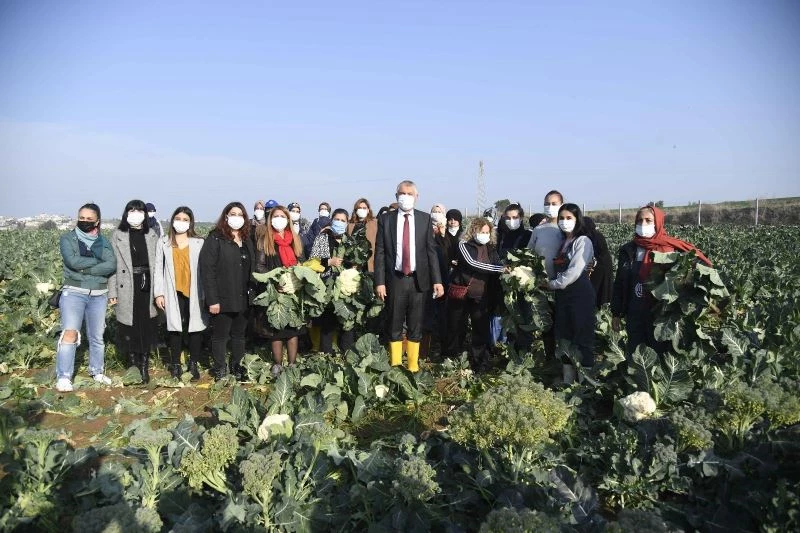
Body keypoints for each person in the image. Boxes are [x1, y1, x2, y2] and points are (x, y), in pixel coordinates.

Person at [611, 205, 712, 355]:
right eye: (639, 220)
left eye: (648, 220)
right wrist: (616, 313)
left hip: (660, 314)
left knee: (660, 353)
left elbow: (701, 265)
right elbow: (620, 283)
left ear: (658, 222)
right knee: (636, 353)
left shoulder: (671, 248)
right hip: (634, 312)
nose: (643, 224)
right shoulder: (628, 250)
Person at [374, 180, 444, 372]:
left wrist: (437, 280)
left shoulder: (424, 219)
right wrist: (379, 281)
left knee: (416, 324)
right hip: (395, 279)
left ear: (416, 197)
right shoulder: (386, 219)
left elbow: (431, 252)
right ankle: (396, 366)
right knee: (394, 323)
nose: (405, 197)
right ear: (396, 196)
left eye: (409, 194)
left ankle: (413, 366)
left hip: (418, 280)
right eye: (401, 194)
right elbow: (380, 252)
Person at [54, 203, 117, 392]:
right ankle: (64, 376)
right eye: (82, 218)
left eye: (89, 219)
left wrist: (86, 269)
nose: (85, 221)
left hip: (99, 294)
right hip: (74, 292)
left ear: (97, 221)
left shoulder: (103, 242)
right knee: (70, 333)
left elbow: (111, 264)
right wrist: (98, 263)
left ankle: (97, 371)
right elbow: (72, 262)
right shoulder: (68, 239)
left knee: (97, 336)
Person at [199, 202, 255, 380]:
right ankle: (220, 368)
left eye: (240, 214)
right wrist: (212, 300)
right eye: (233, 214)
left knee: (239, 335)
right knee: (220, 336)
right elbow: (208, 271)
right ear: (226, 216)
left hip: (243, 297)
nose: (237, 217)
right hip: (222, 297)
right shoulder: (215, 239)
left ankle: (237, 366)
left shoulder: (247, 240)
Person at [540, 203, 595, 383]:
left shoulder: (583, 241)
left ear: (577, 220)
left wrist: (551, 285)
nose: (564, 221)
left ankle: (585, 385)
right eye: (562, 218)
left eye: (569, 218)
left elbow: (574, 272)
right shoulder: (563, 243)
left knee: (582, 337)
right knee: (564, 337)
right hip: (563, 296)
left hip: (580, 295)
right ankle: (568, 381)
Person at [153, 206, 207, 380]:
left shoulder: (199, 242)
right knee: (174, 327)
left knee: (195, 327)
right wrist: (159, 293)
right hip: (172, 290)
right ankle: (175, 364)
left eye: (185, 220)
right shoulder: (163, 242)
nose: (181, 222)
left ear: (191, 223)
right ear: (172, 221)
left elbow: (205, 269)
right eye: (178, 219)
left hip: (194, 290)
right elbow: (158, 269)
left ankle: (193, 363)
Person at [445, 217, 505, 371]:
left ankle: (480, 362)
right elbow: (473, 264)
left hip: (481, 295)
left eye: (487, 232)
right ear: (473, 231)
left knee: (480, 329)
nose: (484, 235)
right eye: (481, 232)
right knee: (456, 326)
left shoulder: (491, 248)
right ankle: (452, 358)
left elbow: (498, 263)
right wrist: (499, 269)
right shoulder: (463, 245)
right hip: (462, 292)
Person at [109, 200, 159, 383]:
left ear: (145, 214)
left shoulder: (151, 234)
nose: (136, 214)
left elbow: (158, 264)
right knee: (128, 325)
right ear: (126, 214)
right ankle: (133, 365)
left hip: (147, 285)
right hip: (126, 285)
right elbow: (112, 266)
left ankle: (144, 365)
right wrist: (112, 292)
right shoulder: (117, 235)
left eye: (139, 211)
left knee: (146, 324)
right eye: (132, 210)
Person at [253, 205, 306, 376]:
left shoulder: (295, 239)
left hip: (293, 290)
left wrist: (298, 276)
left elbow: (302, 261)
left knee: (293, 329)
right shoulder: (265, 240)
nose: (279, 220)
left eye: (283, 217)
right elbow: (259, 266)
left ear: (288, 220)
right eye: (276, 216)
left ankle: (292, 364)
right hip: (275, 290)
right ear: (270, 219)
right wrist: (275, 280)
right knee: (276, 329)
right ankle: (277, 364)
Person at [310, 208, 356, 354]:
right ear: (331, 220)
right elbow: (313, 262)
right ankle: (327, 353)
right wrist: (329, 262)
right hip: (326, 284)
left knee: (347, 320)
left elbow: (355, 261)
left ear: (347, 223)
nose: (339, 222)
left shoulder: (350, 241)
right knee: (327, 322)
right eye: (337, 219)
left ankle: (347, 353)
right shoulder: (322, 238)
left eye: (343, 220)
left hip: (344, 287)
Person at [527, 190, 566, 359]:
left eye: (554, 204)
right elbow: (529, 253)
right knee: (546, 322)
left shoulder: (566, 228)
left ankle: (564, 358)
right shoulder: (538, 230)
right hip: (543, 284)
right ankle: (550, 357)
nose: (550, 207)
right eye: (547, 204)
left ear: (562, 205)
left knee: (563, 323)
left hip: (563, 284)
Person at [583, 217, 613, 308]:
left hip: (598, 266)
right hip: (605, 264)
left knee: (596, 289)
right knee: (604, 289)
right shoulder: (598, 235)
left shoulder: (588, 237)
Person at [347, 198, 378, 272]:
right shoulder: (350, 225)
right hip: (355, 264)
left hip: (370, 262)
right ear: (356, 210)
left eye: (364, 208)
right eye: (360, 208)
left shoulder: (375, 223)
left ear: (368, 210)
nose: (362, 210)